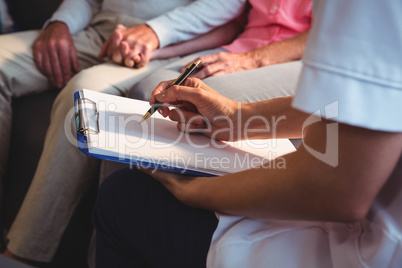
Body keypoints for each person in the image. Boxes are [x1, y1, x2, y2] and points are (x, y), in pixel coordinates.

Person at [93, 0, 402, 267]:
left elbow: (334, 186)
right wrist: (237, 117)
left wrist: (192, 190)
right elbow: (355, 111)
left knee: (122, 198)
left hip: (364, 249)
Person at [0, 0, 247, 263]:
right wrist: (61, 23)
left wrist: (156, 31)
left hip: (170, 44)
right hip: (97, 31)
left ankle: (22, 255)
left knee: (82, 99)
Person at [128, 0, 312, 104]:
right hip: (240, 47)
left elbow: (332, 35)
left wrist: (252, 60)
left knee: (192, 101)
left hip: (296, 60)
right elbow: (234, 24)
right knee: (148, 91)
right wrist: (159, 50)